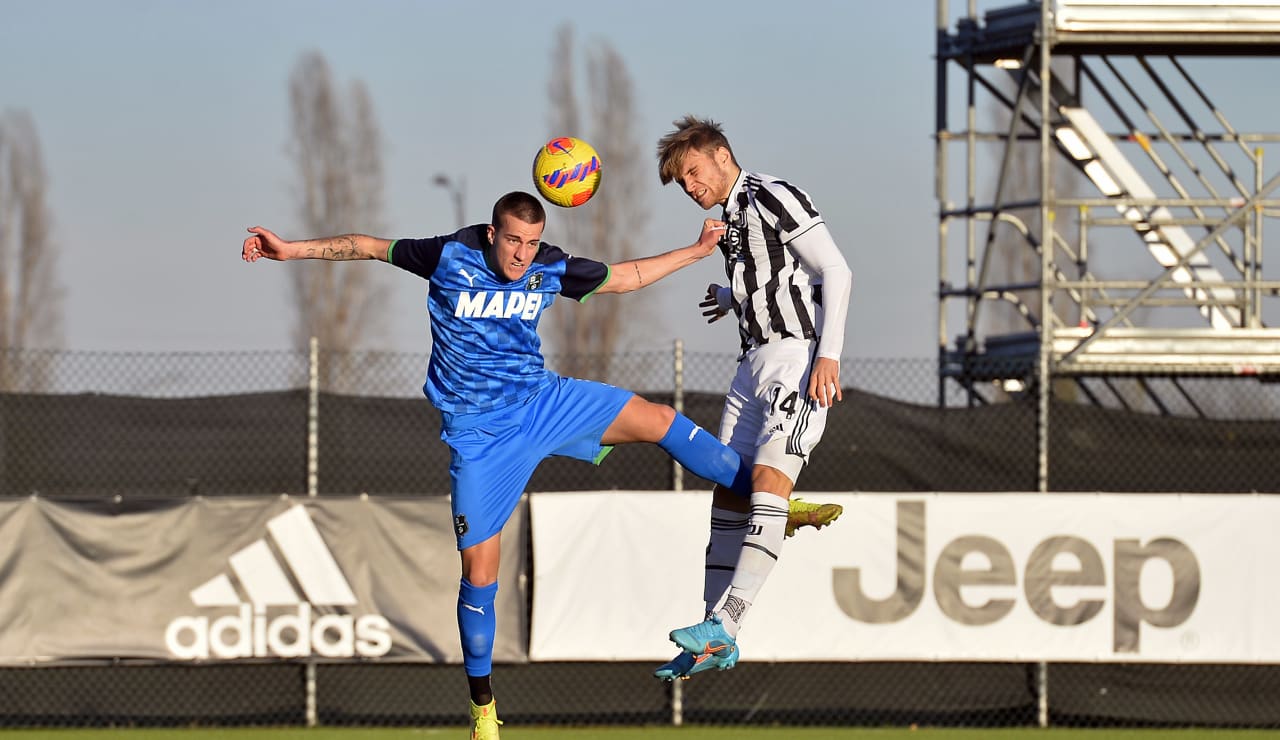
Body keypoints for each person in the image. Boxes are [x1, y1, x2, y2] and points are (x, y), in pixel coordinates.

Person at [242, 191, 766, 739]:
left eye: (531, 242)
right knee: (480, 575)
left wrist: (698, 250)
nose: (521, 254)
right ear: (492, 234)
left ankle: (768, 502)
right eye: (513, 240)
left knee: (659, 418)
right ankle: (483, 709)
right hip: (479, 438)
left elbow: (625, 277)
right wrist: (289, 251)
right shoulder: (447, 255)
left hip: (543, 404)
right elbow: (368, 246)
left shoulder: (547, 266)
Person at [651, 116, 853, 681]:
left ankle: (729, 625)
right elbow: (778, 278)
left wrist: (828, 355)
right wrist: (732, 294)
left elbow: (835, 270)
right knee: (731, 495)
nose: (691, 188)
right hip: (752, 363)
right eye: (683, 182)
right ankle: (711, 633)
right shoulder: (732, 218)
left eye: (693, 172)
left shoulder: (771, 195)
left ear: (721, 154)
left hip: (796, 358)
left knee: (767, 482)